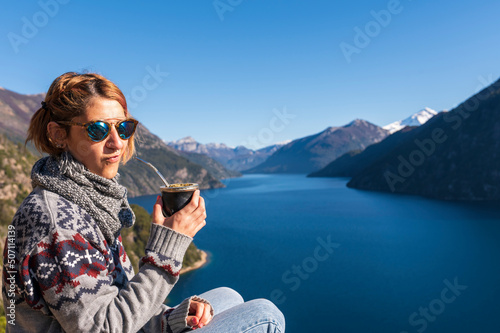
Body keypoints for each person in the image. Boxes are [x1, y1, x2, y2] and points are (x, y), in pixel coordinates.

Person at [2, 72, 285, 332]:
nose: (117, 142)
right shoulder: (56, 220)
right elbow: (100, 328)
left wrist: (174, 318)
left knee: (228, 296)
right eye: (98, 130)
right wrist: (166, 252)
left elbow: (116, 301)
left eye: (123, 127)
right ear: (58, 134)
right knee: (266, 314)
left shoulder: (90, 200)